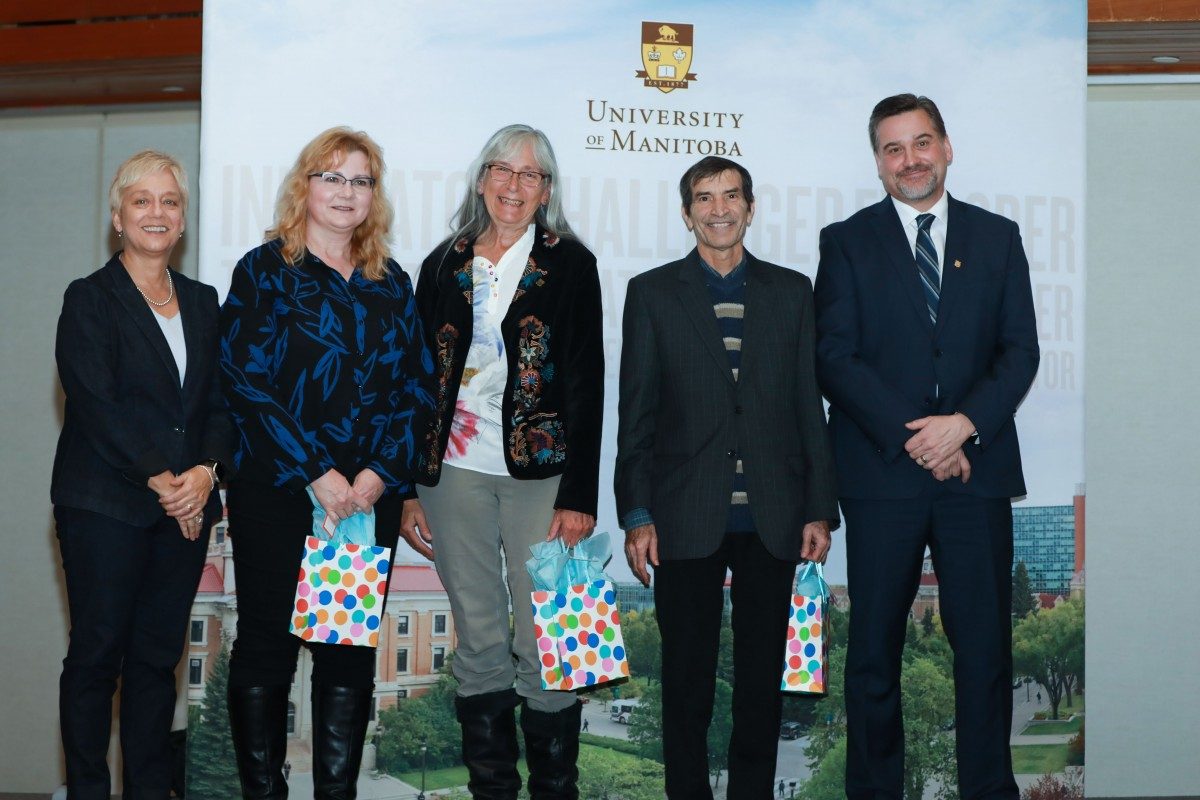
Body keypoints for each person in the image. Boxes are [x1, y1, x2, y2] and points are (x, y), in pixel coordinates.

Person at [814, 94, 1040, 800]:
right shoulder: (845, 241)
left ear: (946, 147)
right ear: (877, 161)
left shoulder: (998, 238)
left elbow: (1019, 352)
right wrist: (921, 438)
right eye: (892, 148)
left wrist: (963, 424)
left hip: (977, 477)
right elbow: (835, 358)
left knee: (984, 654)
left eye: (921, 143)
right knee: (873, 657)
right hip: (882, 478)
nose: (909, 159)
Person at [219, 127, 434, 800]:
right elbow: (245, 380)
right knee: (265, 648)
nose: (346, 192)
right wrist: (318, 471)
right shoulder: (263, 270)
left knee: (346, 656)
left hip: (365, 503)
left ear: (375, 196)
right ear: (304, 186)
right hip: (279, 491)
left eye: (361, 180)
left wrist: (373, 478)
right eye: (332, 177)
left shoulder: (391, 282)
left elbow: (416, 390)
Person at [614, 156, 839, 798]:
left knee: (761, 686)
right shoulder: (652, 294)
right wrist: (636, 515)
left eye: (731, 196)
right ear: (686, 213)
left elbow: (809, 407)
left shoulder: (793, 293)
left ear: (751, 206)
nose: (719, 210)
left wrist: (820, 508)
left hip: (774, 518)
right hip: (683, 516)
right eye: (704, 199)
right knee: (686, 686)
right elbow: (638, 416)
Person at [400, 123, 603, 799]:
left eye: (531, 175)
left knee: (549, 639)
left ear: (547, 190)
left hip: (542, 478)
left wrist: (580, 495)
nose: (515, 187)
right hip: (451, 475)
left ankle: (554, 791)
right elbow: (414, 382)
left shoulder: (572, 265)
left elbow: (586, 380)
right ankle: (492, 791)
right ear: (482, 178)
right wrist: (407, 487)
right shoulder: (441, 264)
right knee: (480, 639)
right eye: (504, 172)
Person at [52, 149, 231, 799]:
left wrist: (205, 475)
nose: (157, 212)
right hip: (105, 506)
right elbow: (96, 403)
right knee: (98, 657)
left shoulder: (206, 303)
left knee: (158, 663)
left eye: (170, 201)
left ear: (183, 220)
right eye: (142, 200)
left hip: (186, 509)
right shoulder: (90, 300)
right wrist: (165, 482)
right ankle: (89, 791)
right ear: (118, 217)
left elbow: (221, 403)